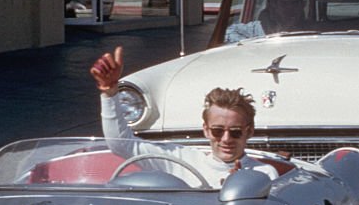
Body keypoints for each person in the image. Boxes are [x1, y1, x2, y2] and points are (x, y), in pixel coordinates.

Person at [90, 46, 279, 186]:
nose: (226, 139)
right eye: (217, 131)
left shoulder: (264, 174)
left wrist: (243, 185)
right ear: (206, 130)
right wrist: (109, 93)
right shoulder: (182, 159)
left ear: (249, 131)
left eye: (236, 132)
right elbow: (121, 144)